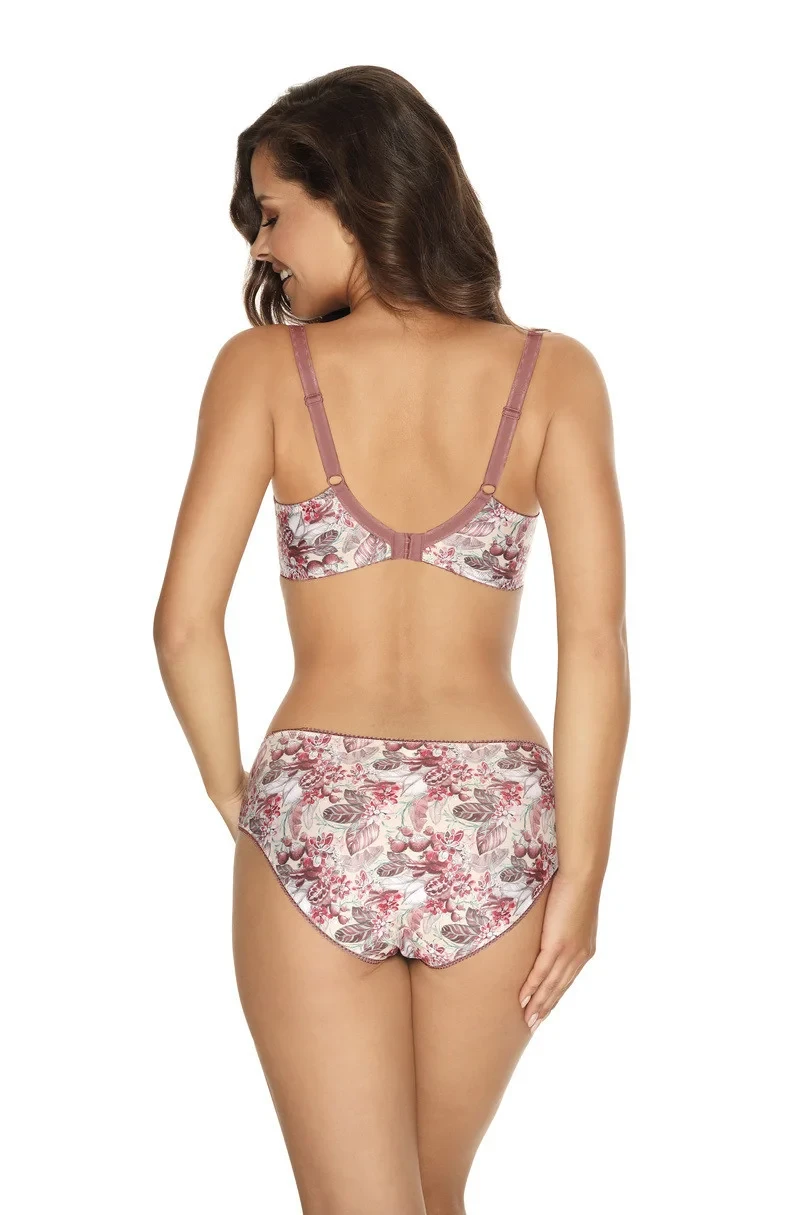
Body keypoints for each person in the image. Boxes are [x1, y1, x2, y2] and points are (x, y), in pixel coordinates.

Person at [154, 65, 629, 1215]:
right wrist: (583, 877)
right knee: (428, 1197)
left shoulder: (264, 371)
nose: (263, 248)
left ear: (355, 191)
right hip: (499, 830)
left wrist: (239, 797)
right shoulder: (554, 373)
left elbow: (182, 624)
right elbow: (596, 646)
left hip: (318, 806)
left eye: (275, 213)